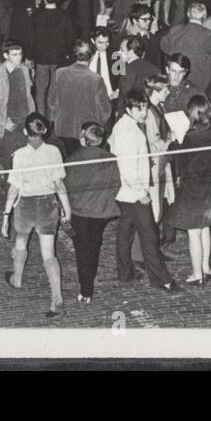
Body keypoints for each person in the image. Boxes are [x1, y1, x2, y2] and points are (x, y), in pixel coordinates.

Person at [109, 89, 180, 293]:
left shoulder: (125, 125)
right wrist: (142, 193)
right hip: (133, 192)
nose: (144, 112)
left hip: (125, 192)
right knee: (149, 236)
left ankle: (125, 273)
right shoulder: (129, 132)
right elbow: (128, 168)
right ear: (129, 109)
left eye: (145, 108)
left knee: (126, 231)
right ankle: (161, 279)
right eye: (139, 109)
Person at [1, 113, 71, 318]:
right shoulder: (54, 151)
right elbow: (59, 184)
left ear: (25, 132)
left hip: (26, 205)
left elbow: (13, 188)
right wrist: (67, 209)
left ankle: (17, 279)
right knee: (49, 254)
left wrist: (6, 215)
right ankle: (57, 300)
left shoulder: (19, 155)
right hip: (48, 204)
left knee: (21, 241)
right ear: (45, 130)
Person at [169, 94, 211, 284]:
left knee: (194, 231)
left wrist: (175, 141)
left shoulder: (190, 137)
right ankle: (205, 267)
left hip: (194, 188)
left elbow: (181, 163)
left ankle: (196, 274)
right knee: (206, 227)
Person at [65, 123, 122, 303]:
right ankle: (89, 281)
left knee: (82, 249)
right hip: (100, 213)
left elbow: (65, 186)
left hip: (79, 212)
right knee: (95, 245)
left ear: (84, 138)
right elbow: (116, 184)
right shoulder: (110, 159)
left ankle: (86, 289)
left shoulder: (73, 159)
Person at [47, 40, 112, 156]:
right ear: (92, 56)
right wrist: (97, 127)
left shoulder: (59, 73)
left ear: (74, 54)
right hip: (88, 132)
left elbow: (52, 102)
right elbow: (105, 110)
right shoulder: (96, 79)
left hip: (64, 128)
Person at [0, 40, 37, 160]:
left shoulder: (25, 69)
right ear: (5, 55)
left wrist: (32, 116)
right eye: (14, 54)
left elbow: (29, 96)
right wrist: (3, 122)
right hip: (9, 121)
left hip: (25, 119)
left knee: (27, 157)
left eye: (20, 54)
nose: (19, 57)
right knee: (10, 158)